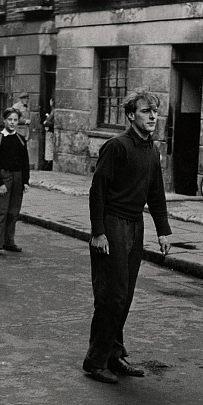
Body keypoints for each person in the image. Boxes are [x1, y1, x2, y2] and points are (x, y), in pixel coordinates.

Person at [82, 88, 172, 384]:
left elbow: (156, 193)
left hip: (135, 225)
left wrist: (163, 231)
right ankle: (95, 361)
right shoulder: (116, 146)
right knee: (112, 296)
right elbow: (98, 191)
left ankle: (114, 354)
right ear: (131, 115)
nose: (153, 117)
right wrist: (98, 232)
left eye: (155, 112)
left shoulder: (151, 150)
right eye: (147, 111)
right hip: (113, 225)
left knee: (126, 294)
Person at [0, 108, 30, 257]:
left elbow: (25, 161)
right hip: (4, 177)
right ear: (4, 121)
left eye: (15, 120)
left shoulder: (21, 140)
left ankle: (8, 241)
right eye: (10, 120)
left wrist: (25, 181)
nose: (12, 123)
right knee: (1, 211)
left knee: (13, 212)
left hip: (18, 177)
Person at [43, 97, 55, 171]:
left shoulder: (54, 111)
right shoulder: (52, 111)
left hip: (50, 132)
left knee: (50, 147)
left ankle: (49, 163)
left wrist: (46, 122)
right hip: (49, 132)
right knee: (49, 147)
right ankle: (48, 162)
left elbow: (53, 123)